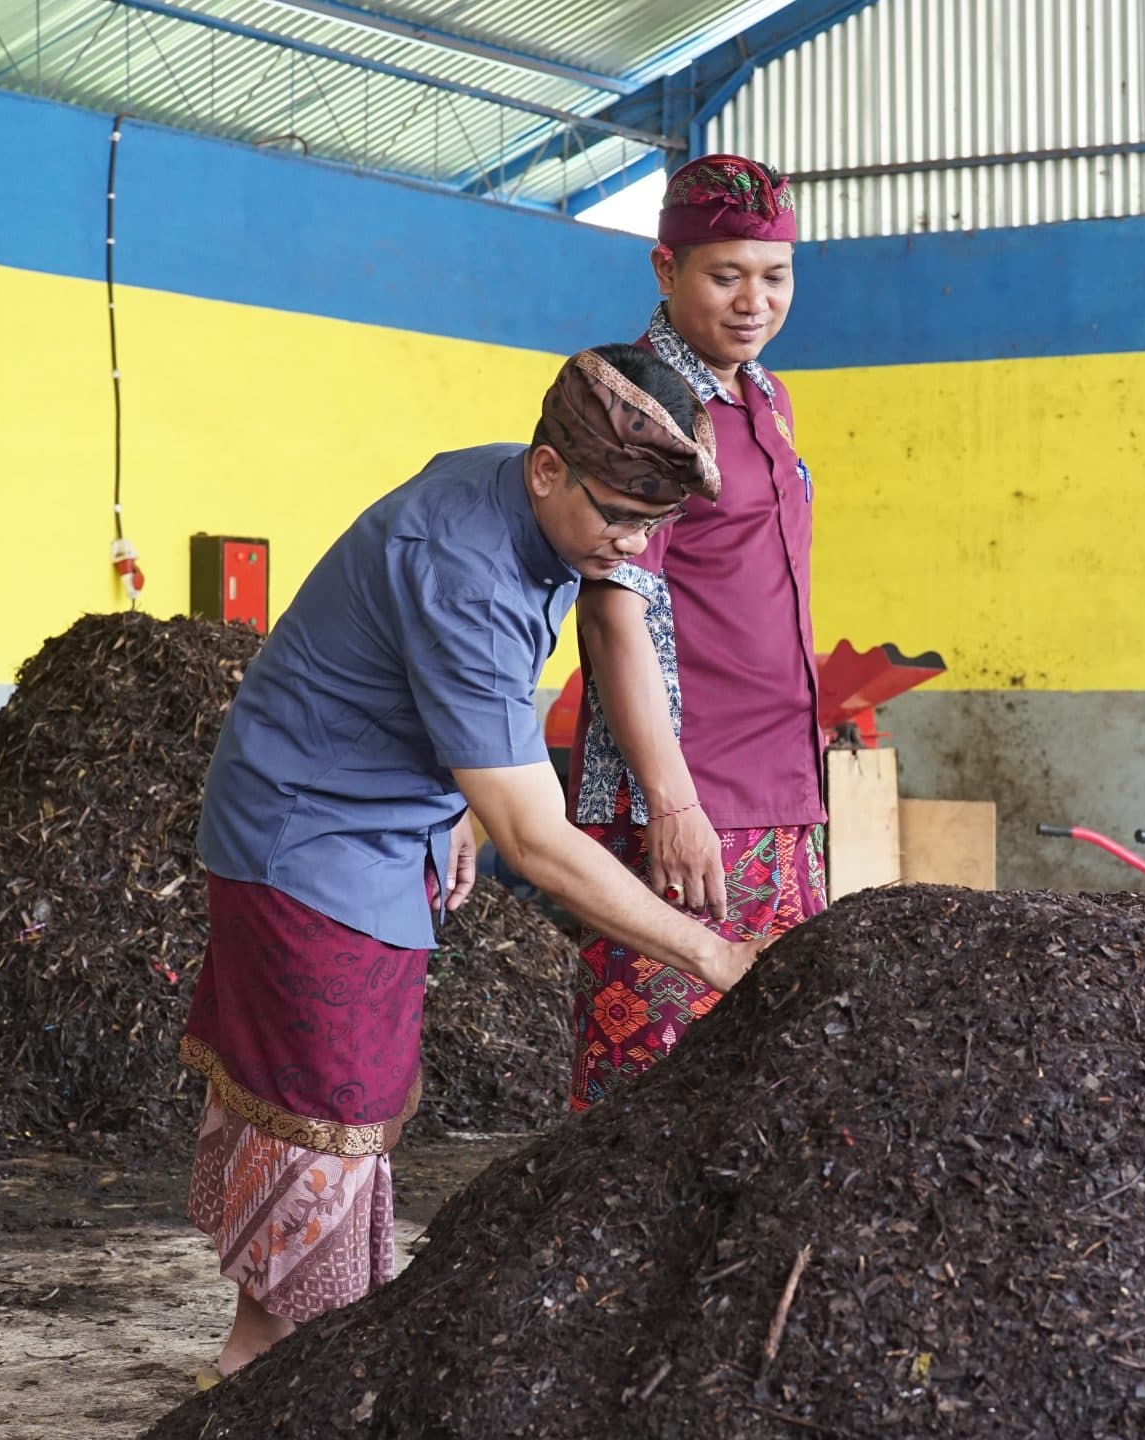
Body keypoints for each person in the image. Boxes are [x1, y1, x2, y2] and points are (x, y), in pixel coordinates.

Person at [178, 343, 763, 1382]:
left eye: (652, 526)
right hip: (306, 837)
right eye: (618, 518)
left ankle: (291, 1351)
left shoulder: (518, 493)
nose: (631, 548)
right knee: (322, 1105)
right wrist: (711, 956)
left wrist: (453, 799)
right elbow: (533, 840)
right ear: (548, 469)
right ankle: (260, 1366)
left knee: (347, 1101)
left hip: (379, 821)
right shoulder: (464, 566)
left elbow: (437, 688)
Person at [566, 156, 824, 1114]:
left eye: (775, 275)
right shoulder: (642, 404)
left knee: (769, 1075)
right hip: (688, 794)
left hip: (782, 787)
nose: (755, 302)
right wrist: (670, 804)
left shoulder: (768, 398)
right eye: (726, 276)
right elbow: (613, 607)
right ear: (666, 268)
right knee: (653, 1086)